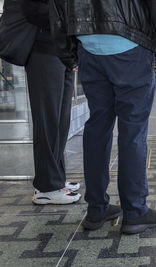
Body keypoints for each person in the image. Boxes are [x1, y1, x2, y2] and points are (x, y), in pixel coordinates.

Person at [50, 0, 156, 234]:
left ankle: (97, 208)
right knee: (133, 131)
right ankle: (135, 211)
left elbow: (57, 9)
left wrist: (69, 55)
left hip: (88, 47)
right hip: (130, 44)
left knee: (97, 127)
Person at [21, 0, 81, 204]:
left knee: (60, 121)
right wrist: (67, 18)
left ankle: (57, 177)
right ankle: (46, 187)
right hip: (43, 50)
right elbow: (32, 10)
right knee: (47, 120)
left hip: (63, 53)